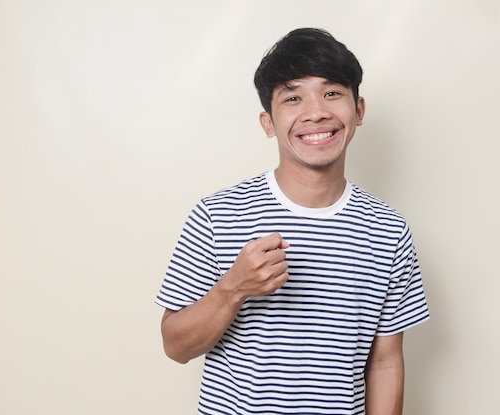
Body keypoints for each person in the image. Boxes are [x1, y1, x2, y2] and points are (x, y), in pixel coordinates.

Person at [156, 27, 430, 415]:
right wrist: (233, 288)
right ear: (268, 122)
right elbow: (175, 346)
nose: (316, 112)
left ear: (359, 110)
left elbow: (385, 362)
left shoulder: (389, 230)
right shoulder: (218, 214)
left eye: (332, 92)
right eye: (293, 97)